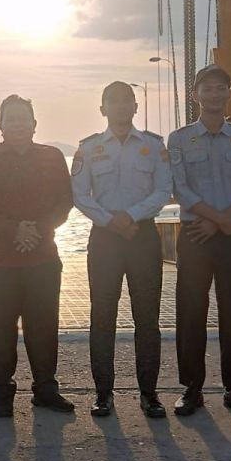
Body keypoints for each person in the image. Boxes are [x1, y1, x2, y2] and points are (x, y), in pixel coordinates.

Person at [0, 95, 75, 417]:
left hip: (43, 258)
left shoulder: (53, 156)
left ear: (34, 123)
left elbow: (64, 201)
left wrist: (37, 230)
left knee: (44, 326)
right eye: (10, 119)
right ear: (0, 125)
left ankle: (45, 388)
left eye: (23, 118)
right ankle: (2, 393)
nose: (17, 124)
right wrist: (13, 230)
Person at [167, 65, 231, 418]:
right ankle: (191, 389)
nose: (213, 94)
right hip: (196, 235)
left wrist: (225, 220)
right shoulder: (179, 139)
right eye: (206, 89)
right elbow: (179, 187)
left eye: (219, 88)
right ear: (195, 94)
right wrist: (217, 219)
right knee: (191, 310)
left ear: (228, 93)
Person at [71, 81, 173, 418]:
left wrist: (130, 216)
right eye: (112, 102)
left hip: (142, 235)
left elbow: (163, 190)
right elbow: (80, 194)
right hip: (104, 239)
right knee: (102, 317)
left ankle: (149, 394)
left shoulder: (154, 147)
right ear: (102, 109)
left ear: (135, 106)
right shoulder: (88, 148)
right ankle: (103, 394)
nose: (120, 106)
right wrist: (109, 220)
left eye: (126, 100)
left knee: (147, 318)